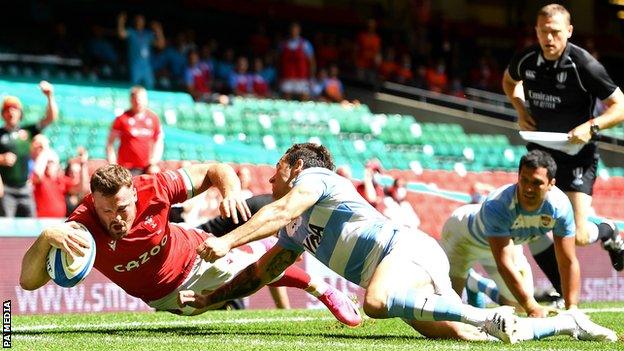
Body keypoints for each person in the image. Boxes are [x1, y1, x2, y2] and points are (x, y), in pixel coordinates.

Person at [179, 143, 616, 343]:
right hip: (403, 267)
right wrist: (211, 299)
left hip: (405, 251)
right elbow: (261, 273)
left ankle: (487, 312)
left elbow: (276, 212)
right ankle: (566, 325)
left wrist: (227, 241)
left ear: (295, 166)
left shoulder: (315, 178)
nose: (270, 178)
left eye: (276, 169)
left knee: (375, 302)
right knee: (469, 337)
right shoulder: (293, 231)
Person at [19, 163, 359, 324]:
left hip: (196, 250)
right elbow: (28, 282)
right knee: (216, 301)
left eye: (122, 208)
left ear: (135, 193)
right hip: (167, 297)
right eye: (106, 210)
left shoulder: (155, 186)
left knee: (255, 267)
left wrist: (229, 193)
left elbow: (215, 169)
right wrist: (47, 236)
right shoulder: (80, 226)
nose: (115, 218)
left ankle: (322, 288)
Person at [502, 4, 624, 279]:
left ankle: (609, 231)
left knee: (580, 236)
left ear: (568, 32)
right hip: (540, 151)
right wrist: (520, 109)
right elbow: (509, 82)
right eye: (544, 32)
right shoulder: (526, 59)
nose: (549, 38)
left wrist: (591, 127)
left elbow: (620, 106)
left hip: (577, 154)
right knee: (527, 221)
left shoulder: (583, 65)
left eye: (555, 32)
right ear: (536, 31)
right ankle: (558, 289)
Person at [440, 150, 578, 318]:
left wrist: (573, 309)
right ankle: (467, 280)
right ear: (518, 176)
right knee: (449, 312)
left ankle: (476, 284)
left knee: (517, 306)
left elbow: (567, 260)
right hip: (462, 239)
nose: (528, 188)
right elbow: (504, 263)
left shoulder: (560, 207)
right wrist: (532, 306)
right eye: (524, 180)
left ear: (551, 184)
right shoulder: (499, 204)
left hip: (503, 244)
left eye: (536, 183)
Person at [0, 81, 58, 217]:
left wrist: (50, 96)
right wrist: (1, 159)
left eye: (14, 108)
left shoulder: (27, 131)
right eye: (7, 109)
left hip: (25, 188)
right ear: (3, 114)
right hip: (6, 189)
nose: (11, 112)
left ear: (20, 113)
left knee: (30, 225)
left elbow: (50, 118)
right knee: (6, 229)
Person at [106, 86, 163, 176]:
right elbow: (110, 143)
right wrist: (112, 164)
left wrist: (154, 159)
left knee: (155, 172)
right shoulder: (122, 118)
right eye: (136, 99)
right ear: (131, 100)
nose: (138, 102)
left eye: (141, 99)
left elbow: (159, 140)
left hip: (146, 166)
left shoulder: (153, 118)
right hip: (127, 167)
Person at [117, 12, 165, 89]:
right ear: (134, 22)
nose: (139, 22)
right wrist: (121, 21)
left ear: (144, 22)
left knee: (150, 88)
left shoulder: (148, 34)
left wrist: (158, 30)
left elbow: (161, 45)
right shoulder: (131, 32)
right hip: (135, 66)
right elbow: (121, 34)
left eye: (141, 21)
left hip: (147, 67)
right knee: (134, 89)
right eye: (137, 20)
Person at [278, 22, 315, 100]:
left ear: (299, 31)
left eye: (295, 30)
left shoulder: (306, 44)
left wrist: (311, 76)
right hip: (287, 76)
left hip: (302, 77)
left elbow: (312, 62)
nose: (293, 31)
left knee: (304, 98)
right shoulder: (283, 44)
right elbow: (278, 61)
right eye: (292, 30)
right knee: (286, 99)